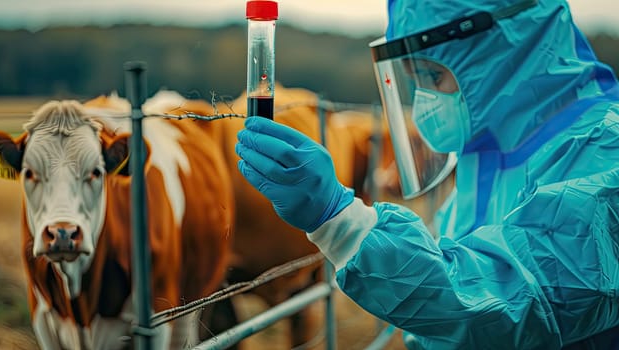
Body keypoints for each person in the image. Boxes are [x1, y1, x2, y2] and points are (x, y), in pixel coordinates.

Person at [234, 0, 619, 348]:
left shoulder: (601, 156)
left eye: (433, 78)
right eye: (413, 80)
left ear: (500, 58)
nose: (423, 101)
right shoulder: (489, 158)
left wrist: (341, 223)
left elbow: (506, 307)